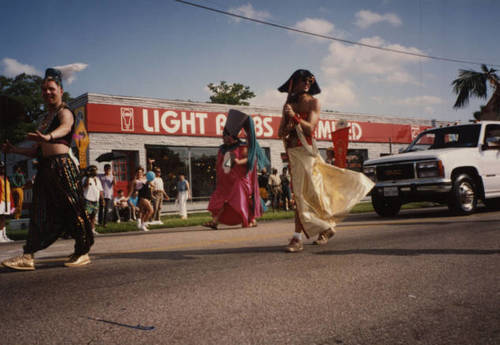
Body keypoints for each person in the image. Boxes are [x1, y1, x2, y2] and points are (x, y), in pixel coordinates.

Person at [1, 68, 94, 269]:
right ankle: (28, 256)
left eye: (51, 89)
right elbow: (36, 150)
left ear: (60, 90)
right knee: (39, 212)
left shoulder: (65, 111)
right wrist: (14, 149)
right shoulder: (45, 118)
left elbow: (66, 127)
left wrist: (49, 137)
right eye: (44, 90)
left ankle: (82, 251)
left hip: (62, 166)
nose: (47, 93)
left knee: (73, 208)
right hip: (45, 168)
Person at [277, 69, 374, 252]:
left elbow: (310, 129)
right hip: (293, 155)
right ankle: (314, 232)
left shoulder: (314, 102)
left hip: (307, 154)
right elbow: (279, 132)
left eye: (309, 80)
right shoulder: (288, 103)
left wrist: (295, 117)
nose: (306, 83)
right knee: (300, 196)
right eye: (302, 80)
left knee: (310, 195)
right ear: (294, 82)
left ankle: (314, 232)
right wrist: (286, 124)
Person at [203, 109, 268, 230]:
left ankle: (250, 219)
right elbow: (226, 167)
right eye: (223, 135)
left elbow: (251, 160)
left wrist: (238, 161)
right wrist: (226, 166)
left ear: (231, 137)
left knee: (240, 200)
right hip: (227, 181)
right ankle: (215, 221)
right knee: (221, 199)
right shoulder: (223, 149)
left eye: (225, 136)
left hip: (240, 180)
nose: (223, 138)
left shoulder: (242, 147)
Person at [83, 165, 103, 235]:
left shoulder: (97, 179)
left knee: (93, 216)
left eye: (96, 170)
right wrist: (88, 177)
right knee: (87, 216)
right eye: (94, 170)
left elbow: (100, 190)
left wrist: (102, 199)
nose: (96, 172)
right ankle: (86, 230)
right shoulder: (85, 178)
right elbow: (85, 186)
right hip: (88, 199)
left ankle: (92, 229)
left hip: (96, 200)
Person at [0, 162, 14, 242]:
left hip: (7, 201)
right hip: (1, 200)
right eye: (1, 167)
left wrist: (12, 203)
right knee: (0, 218)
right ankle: (0, 236)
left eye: (3, 167)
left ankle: (4, 236)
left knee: (4, 218)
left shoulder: (6, 178)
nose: (2, 169)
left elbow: (9, 191)